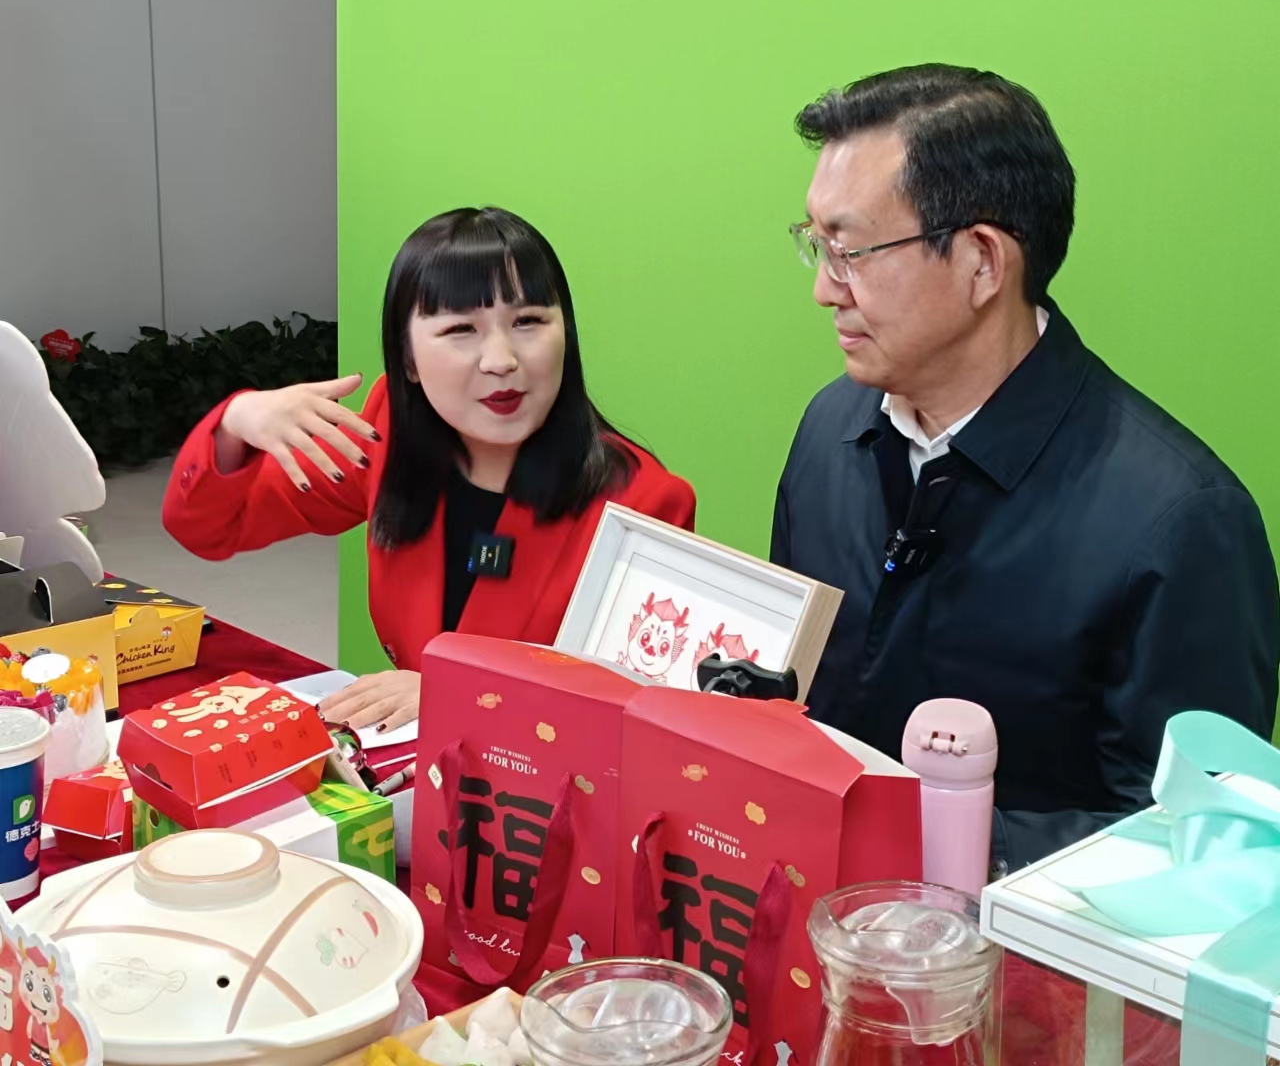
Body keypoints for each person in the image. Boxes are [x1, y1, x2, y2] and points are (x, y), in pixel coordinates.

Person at [771, 64, 1280, 871]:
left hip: (1014, 949)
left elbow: (1198, 848)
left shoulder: (1180, 521)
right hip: (818, 925)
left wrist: (939, 845)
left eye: (852, 250)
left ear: (981, 262)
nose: (825, 291)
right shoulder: (830, 429)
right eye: (818, 246)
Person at [163, 206, 695, 731]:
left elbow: (637, 715)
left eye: (528, 321)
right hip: (414, 759)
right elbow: (209, 527)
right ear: (408, 360)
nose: (501, 360)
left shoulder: (643, 503)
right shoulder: (389, 430)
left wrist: (460, 692)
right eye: (462, 328)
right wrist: (236, 422)